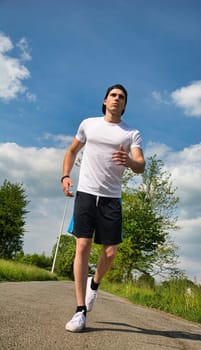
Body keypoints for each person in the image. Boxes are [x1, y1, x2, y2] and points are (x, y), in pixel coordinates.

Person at [61, 84, 145, 332]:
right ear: (105, 101)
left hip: (111, 198)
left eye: (122, 97)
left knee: (109, 252)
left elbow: (140, 164)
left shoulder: (131, 133)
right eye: (113, 96)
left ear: (124, 105)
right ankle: (79, 311)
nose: (117, 99)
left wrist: (129, 161)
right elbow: (72, 150)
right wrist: (65, 175)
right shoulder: (88, 124)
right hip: (86, 193)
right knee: (83, 245)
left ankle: (94, 285)